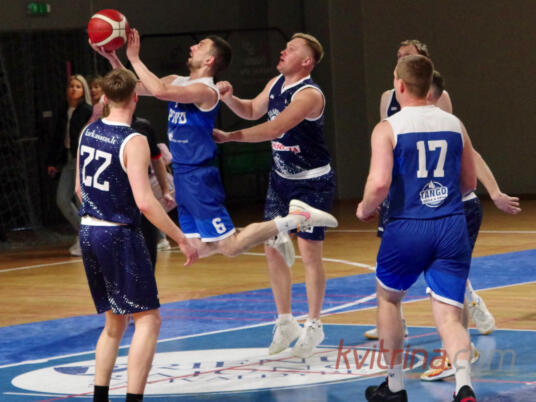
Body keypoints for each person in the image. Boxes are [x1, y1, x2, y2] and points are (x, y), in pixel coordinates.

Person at [90, 32, 337, 268]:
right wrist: (114, 59)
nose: (192, 47)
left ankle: (292, 221)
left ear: (209, 60)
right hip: (182, 176)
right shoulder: (175, 80)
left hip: (199, 178)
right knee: (197, 248)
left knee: (230, 247)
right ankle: (274, 230)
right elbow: (134, 87)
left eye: (200, 45)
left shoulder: (206, 90)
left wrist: (134, 58)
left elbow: (159, 92)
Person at [356, 55, 477, 402]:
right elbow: (469, 183)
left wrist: (365, 208)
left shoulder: (388, 127)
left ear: (400, 85)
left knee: (389, 299)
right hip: (451, 225)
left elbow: (379, 183)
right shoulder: (454, 124)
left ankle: (394, 385)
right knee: (450, 315)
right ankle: (464, 385)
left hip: (408, 226)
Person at [75, 69, 198, 402]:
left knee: (115, 323)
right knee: (149, 320)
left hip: (89, 231)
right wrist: (180, 237)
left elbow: (79, 189)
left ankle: (100, 397)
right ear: (134, 97)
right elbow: (145, 202)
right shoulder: (134, 140)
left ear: (104, 97)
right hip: (117, 235)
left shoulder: (88, 131)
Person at [213, 33, 336, 358]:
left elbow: (274, 128)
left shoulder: (309, 95)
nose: (283, 51)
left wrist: (230, 137)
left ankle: (314, 323)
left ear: (307, 61)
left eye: (291, 49)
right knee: (273, 248)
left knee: (309, 253)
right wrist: (229, 99)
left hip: (311, 181)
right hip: (281, 179)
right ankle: (285, 321)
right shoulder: (276, 83)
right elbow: (253, 110)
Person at [46, 74, 92, 256]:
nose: (74, 89)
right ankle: (84, 234)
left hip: (83, 160)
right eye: (71, 86)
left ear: (83, 90)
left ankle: (87, 239)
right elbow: (57, 138)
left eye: (78, 86)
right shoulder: (63, 110)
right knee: (62, 200)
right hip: (68, 160)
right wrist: (53, 161)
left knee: (81, 201)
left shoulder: (87, 110)